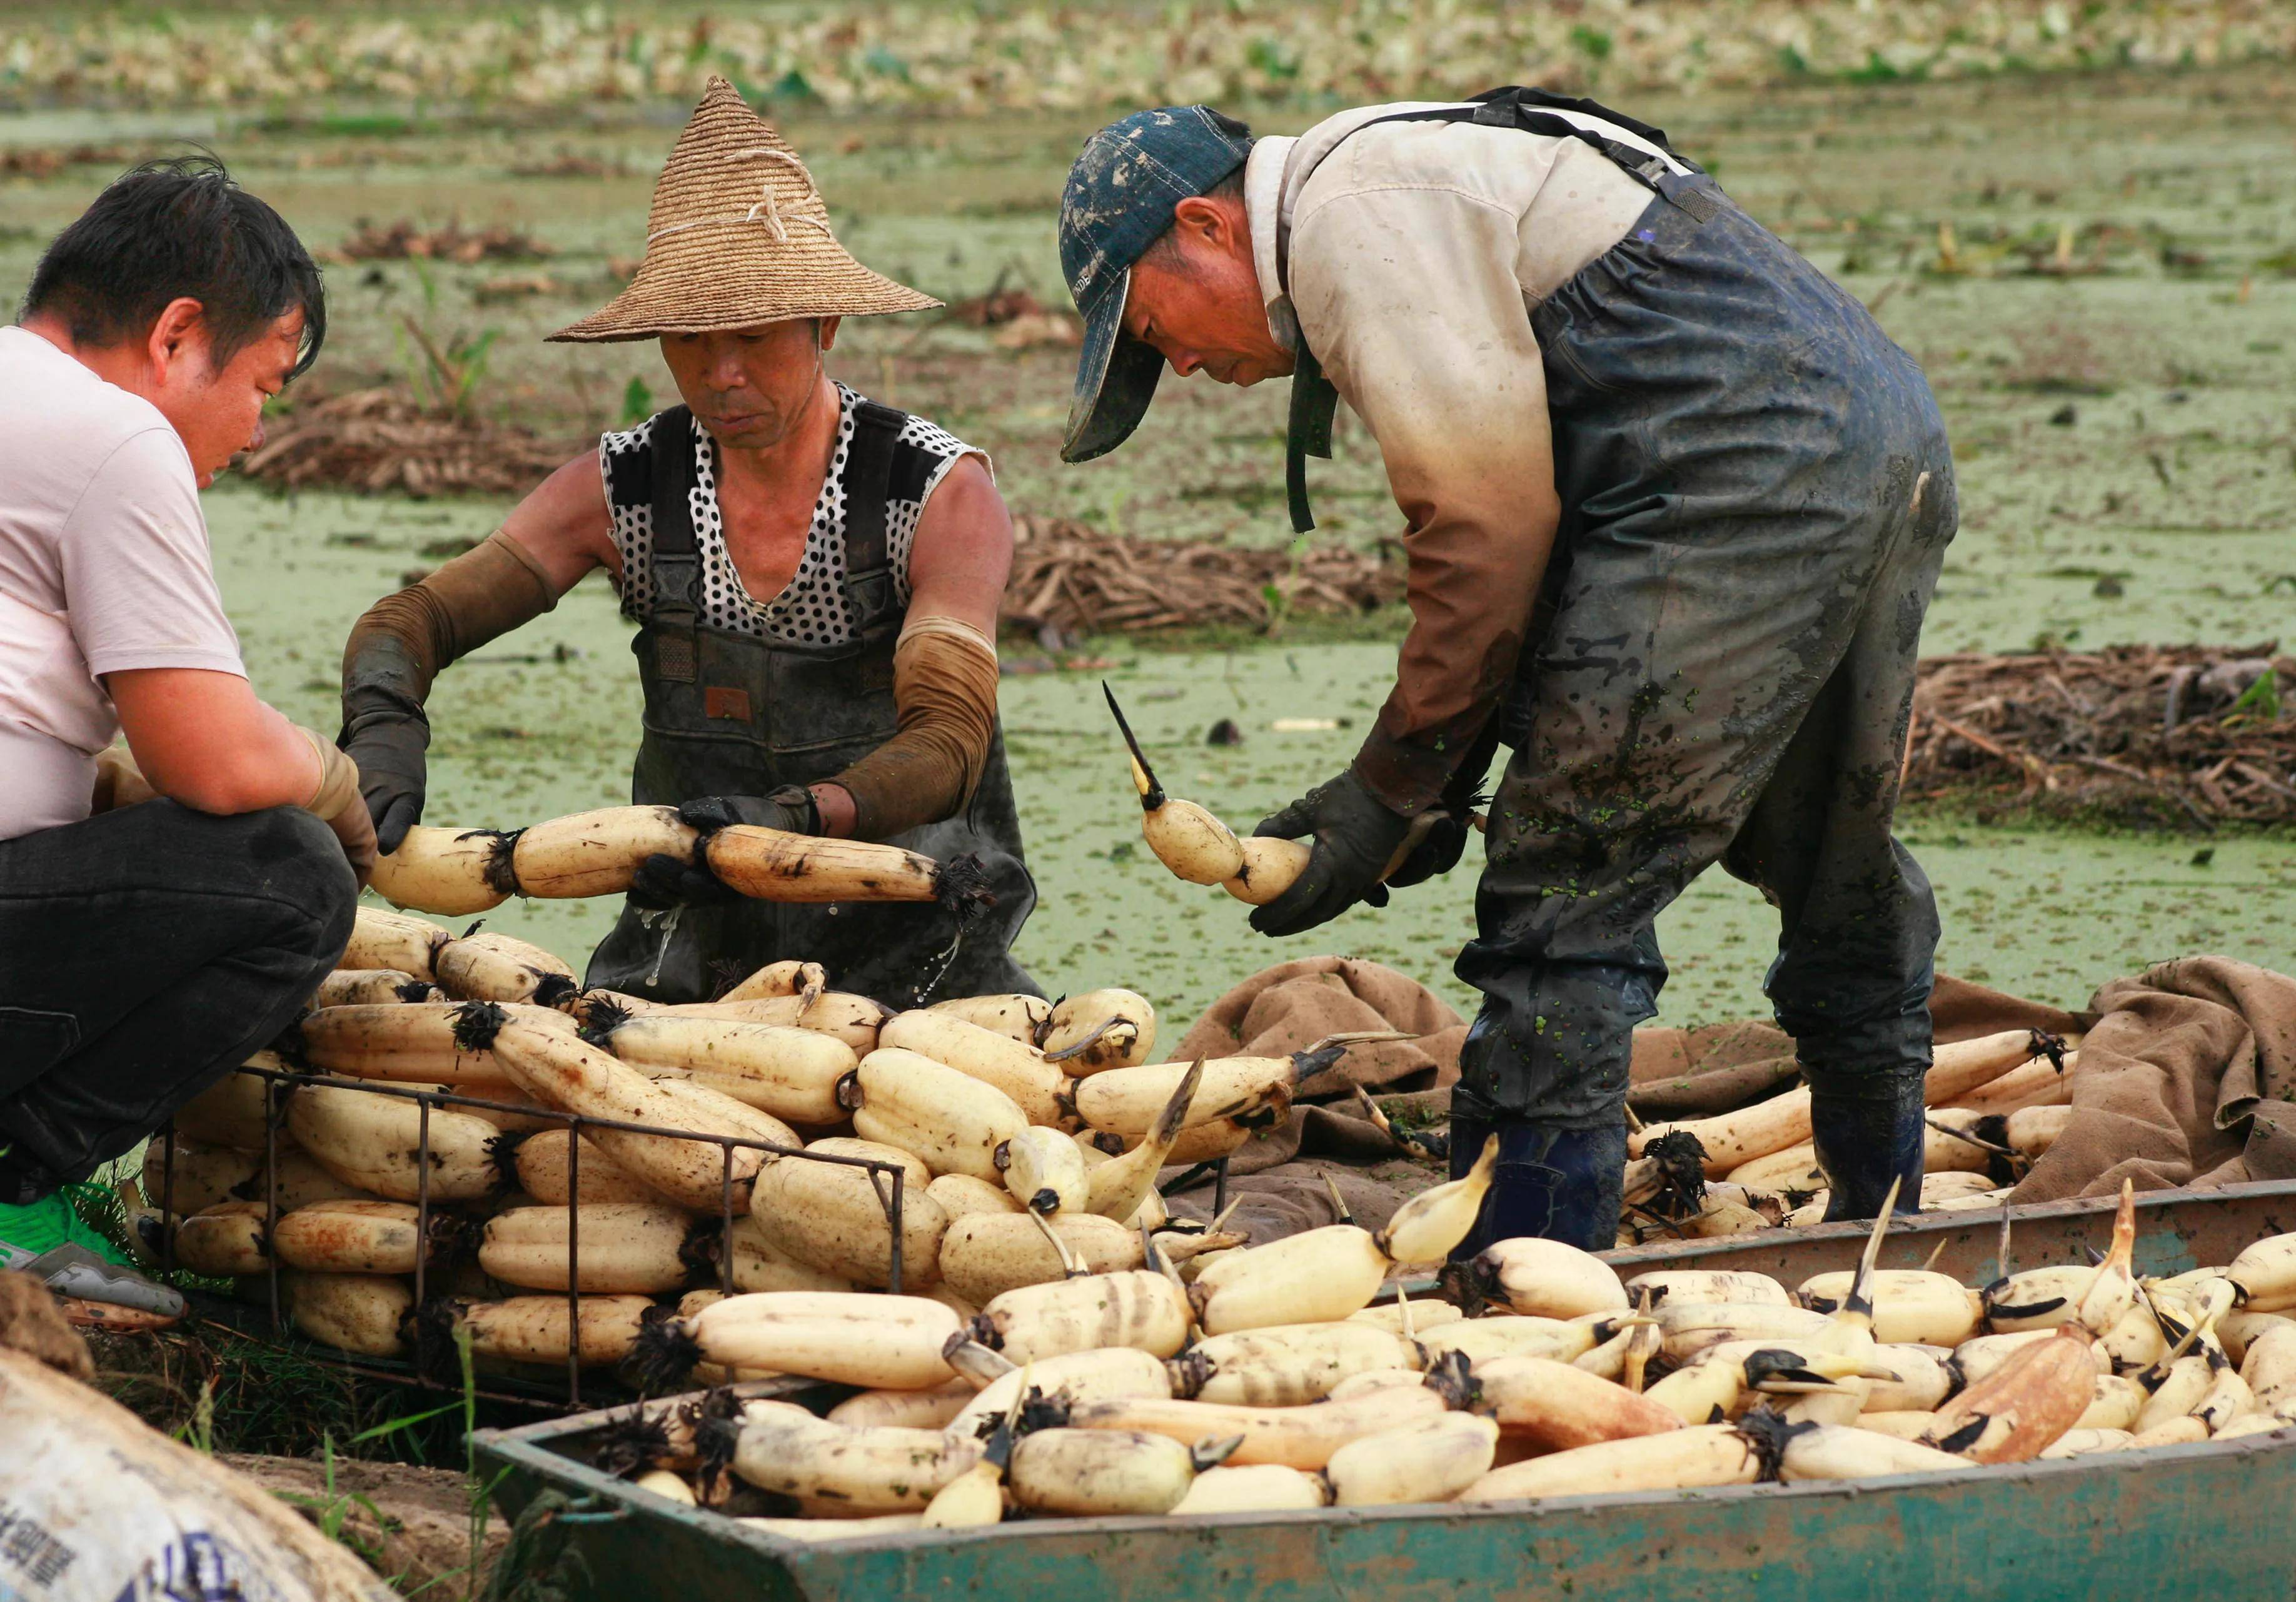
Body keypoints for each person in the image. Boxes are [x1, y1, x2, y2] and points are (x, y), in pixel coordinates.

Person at [1055, 96, 1956, 1249]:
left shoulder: (1352, 221)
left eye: (1149, 329)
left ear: (1206, 225)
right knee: (1827, 852)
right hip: (1875, 433)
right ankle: (1888, 1233)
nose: (1176, 362)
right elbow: (1539, 544)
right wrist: (1427, 784)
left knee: (1563, 887)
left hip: (1740, 464)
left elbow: (1486, 535)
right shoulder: (1388, 170)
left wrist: (1383, 793)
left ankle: (1527, 1278)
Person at [339, 80, 1035, 1008]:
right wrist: (385, 724)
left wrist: (793, 823)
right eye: (692, 341)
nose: (722, 373)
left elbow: (949, 740)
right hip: (686, 951)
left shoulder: (936, 494)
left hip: (920, 951)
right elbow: (412, 619)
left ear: (826, 324)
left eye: (751, 336)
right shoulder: (628, 486)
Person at [0, 158, 371, 1304]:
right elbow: (209, 759)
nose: (256, 431)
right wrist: (337, 776)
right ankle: (15, 1188)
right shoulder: (113, 436)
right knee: (292, 878)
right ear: (176, 335)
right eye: (263, 383)